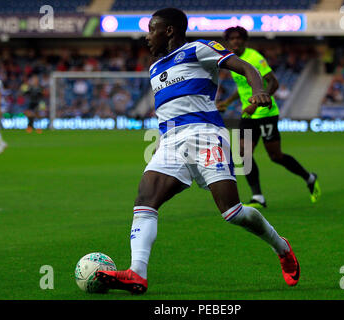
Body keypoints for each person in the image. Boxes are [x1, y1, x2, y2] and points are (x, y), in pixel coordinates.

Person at [96, 8, 300, 294]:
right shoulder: (155, 68)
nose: (146, 36)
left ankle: (281, 247)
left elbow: (244, 67)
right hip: (168, 141)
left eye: (152, 29)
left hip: (205, 136)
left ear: (169, 30)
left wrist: (258, 90)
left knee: (232, 212)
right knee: (145, 200)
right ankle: (137, 273)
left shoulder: (199, 49)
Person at [217, 26, 320, 208]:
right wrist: (228, 102)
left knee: (275, 156)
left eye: (238, 38)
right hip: (248, 115)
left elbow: (273, 82)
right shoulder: (231, 60)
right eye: (232, 39)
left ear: (244, 40)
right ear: (228, 42)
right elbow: (243, 87)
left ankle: (309, 177)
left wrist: (254, 104)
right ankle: (258, 197)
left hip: (265, 113)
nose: (235, 41)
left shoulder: (254, 57)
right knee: (242, 153)